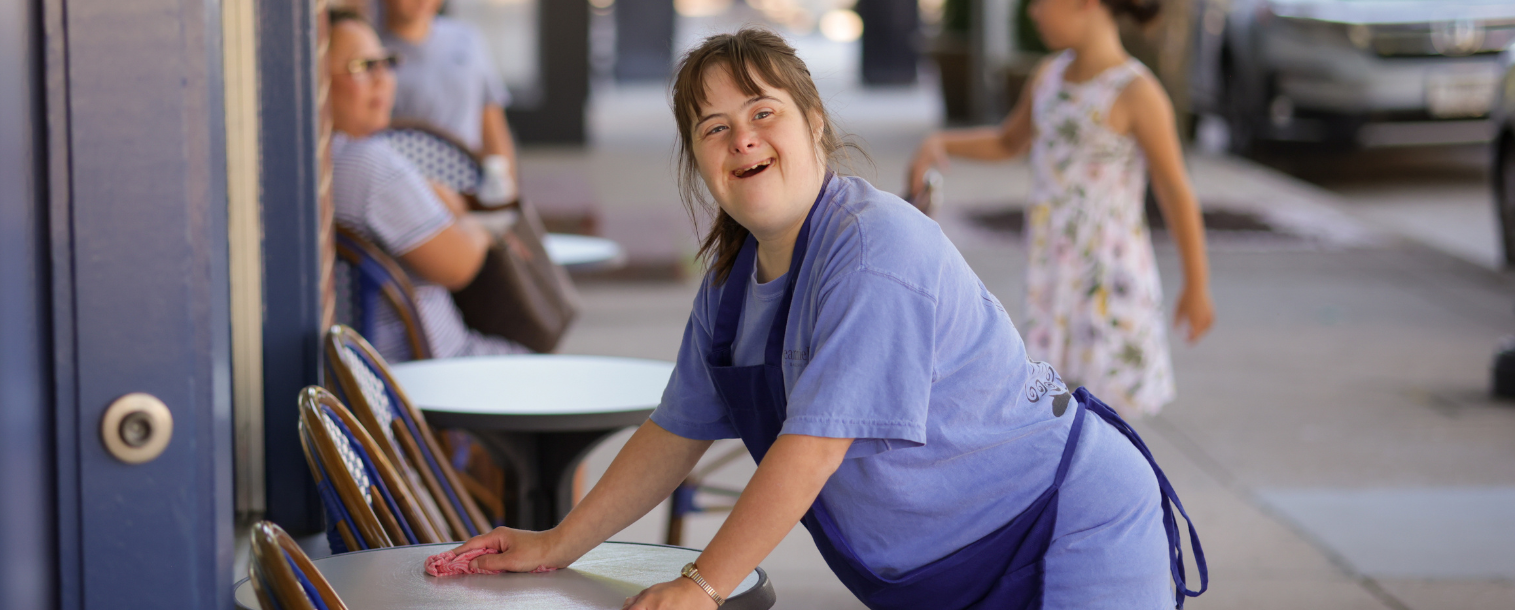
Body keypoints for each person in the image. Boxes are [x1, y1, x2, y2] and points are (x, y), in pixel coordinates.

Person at [448, 29, 1206, 610]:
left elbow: (810, 452)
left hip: (1071, 525)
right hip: (944, 571)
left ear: (813, 122)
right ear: (701, 162)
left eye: (762, 112)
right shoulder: (730, 286)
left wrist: (705, 585)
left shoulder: (876, 251)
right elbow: (673, 434)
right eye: (712, 128)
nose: (740, 137)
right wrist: (556, 544)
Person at [907, 0, 1214, 419]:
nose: (1033, 12)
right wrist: (942, 143)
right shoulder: (1047, 77)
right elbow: (1007, 142)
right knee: (1057, 413)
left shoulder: (1137, 91)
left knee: (1110, 416)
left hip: (1109, 281)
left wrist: (1196, 285)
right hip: (1053, 277)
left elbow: (1176, 190)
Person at [324, 9, 525, 361]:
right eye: (361, 67)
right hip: (426, 371)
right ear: (317, 82)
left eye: (386, 63)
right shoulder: (368, 163)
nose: (382, 79)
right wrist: (477, 226)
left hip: (372, 367)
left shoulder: (325, 160)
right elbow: (458, 265)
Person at [379, 0, 519, 204]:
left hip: (473, 189)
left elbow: (492, 124)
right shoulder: (375, 54)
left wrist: (508, 194)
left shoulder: (467, 38)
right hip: (410, 199)